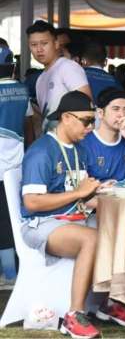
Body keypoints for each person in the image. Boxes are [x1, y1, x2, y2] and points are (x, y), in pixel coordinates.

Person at [21, 91, 101, 338]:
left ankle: (112, 303)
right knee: (92, 239)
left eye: (93, 121)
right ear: (66, 118)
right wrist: (78, 193)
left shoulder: (79, 149)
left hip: (72, 218)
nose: (91, 127)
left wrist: (98, 195)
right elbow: (32, 202)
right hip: (42, 224)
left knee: (118, 227)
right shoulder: (42, 151)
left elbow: (80, 196)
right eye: (87, 121)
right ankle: (74, 316)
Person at [0, 58, 33, 289]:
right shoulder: (22, 90)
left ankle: (9, 274)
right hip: (16, 164)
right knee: (10, 218)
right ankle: (12, 270)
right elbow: (29, 126)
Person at [27, 21, 92, 132]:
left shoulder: (67, 67)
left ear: (56, 44)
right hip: (52, 139)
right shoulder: (40, 79)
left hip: (74, 139)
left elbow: (87, 106)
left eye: (44, 43)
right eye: (34, 45)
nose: (39, 49)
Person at [80, 88, 125, 182]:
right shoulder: (84, 143)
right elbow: (78, 186)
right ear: (100, 113)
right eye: (116, 109)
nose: (122, 114)